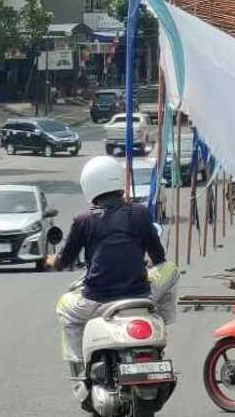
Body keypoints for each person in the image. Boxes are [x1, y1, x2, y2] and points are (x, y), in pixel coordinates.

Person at [47, 156, 179, 403]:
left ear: (89, 184)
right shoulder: (139, 213)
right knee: (171, 269)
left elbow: (64, 260)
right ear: (119, 181)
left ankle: (78, 371)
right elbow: (159, 257)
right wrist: (146, 262)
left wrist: (50, 261)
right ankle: (161, 319)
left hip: (96, 301)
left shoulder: (84, 219)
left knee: (64, 308)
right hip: (140, 298)